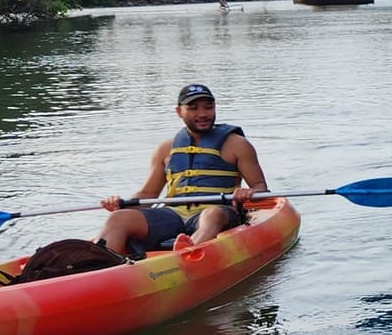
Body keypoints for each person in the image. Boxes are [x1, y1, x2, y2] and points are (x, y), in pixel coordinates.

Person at [96, 83, 266, 256]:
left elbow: (261, 187)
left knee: (211, 215)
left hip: (217, 213)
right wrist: (121, 205)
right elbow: (148, 193)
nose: (202, 114)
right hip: (173, 214)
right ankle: (98, 264)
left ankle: (184, 257)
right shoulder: (165, 148)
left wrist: (248, 193)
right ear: (179, 112)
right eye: (193, 108)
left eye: (208, 107)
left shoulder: (237, 144)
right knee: (118, 218)